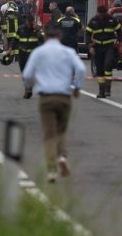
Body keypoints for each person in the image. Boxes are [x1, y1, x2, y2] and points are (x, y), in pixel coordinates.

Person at [22, 24, 86, 182]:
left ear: (45, 37)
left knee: (49, 134)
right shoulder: (68, 52)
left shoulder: (38, 52)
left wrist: (31, 86)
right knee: (61, 130)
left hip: (46, 97)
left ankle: (52, 170)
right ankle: (62, 157)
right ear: (60, 36)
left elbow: (27, 74)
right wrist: (77, 87)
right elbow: (81, 69)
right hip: (64, 96)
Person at [86, 5, 122, 99]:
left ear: (106, 12)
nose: (101, 16)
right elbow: (88, 33)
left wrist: (121, 45)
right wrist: (90, 46)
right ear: (97, 12)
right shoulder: (93, 21)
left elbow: (119, 31)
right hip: (98, 47)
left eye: (103, 14)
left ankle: (107, 89)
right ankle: (101, 91)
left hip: (109, 46)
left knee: (108, 65)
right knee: (99, 70)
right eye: (100, 14)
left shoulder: (112, 20)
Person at [16, 14, 45, 98]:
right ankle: (27, 89)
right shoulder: (21, 29)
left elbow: (42, 40)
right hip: (22, 54)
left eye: (31, 22)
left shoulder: (36, 30)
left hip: (32, 55)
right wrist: (10, 49)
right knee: (24, 72)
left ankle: (29, 89)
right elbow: (15, 39)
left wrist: (37, 31)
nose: (30, 24)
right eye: (28, 22)